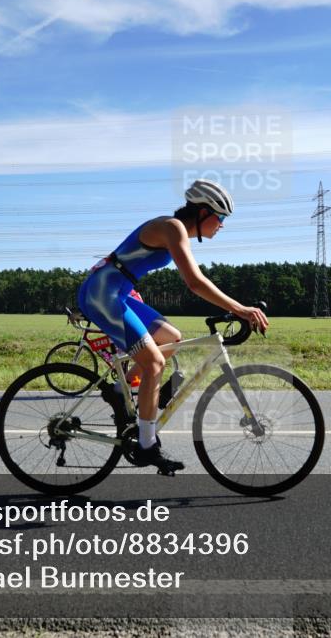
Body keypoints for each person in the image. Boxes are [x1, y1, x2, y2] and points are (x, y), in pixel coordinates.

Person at [77, 180, 269, 474]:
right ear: (203, 213)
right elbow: (195, 282)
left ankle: (121, 389)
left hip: (117, 291)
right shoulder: (173, 227)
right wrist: (240, 308)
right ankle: (146, 445)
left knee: (171, 337)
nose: (221, 225)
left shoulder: (175, 231)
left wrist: (236, 309)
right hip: (102, 292)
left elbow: (195, 281)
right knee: (153, 363)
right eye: (220, 218)